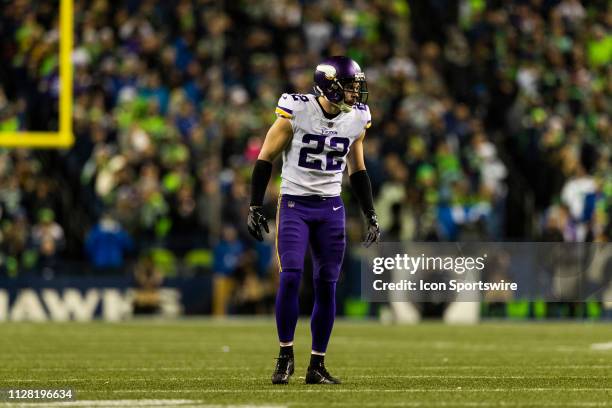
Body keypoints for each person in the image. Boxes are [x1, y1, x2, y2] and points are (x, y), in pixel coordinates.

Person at [247, 56, 380, 385]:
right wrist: (254, 204)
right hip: (295, 204)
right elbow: (265, 157)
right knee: (291, 276)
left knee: (327, 285)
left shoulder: (356, 119)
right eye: (348, 87)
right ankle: (285, 355)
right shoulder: (297, 110)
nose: (354, 94)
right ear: (328, 86)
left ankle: (317, 364)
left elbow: (358, 170)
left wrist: (370, 212)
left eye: (355, 87)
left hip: (331, 208)